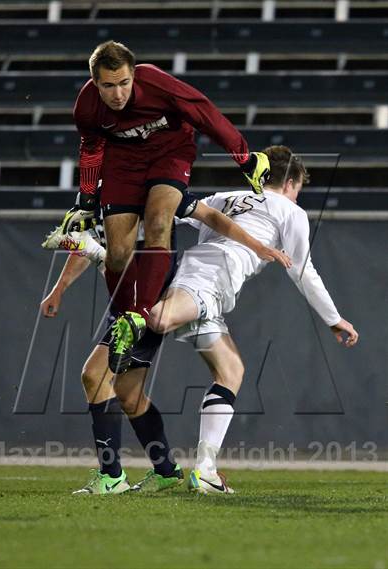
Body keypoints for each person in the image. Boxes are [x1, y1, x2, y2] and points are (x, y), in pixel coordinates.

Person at [133, 144, 358, 494]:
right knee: (159, 319)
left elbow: (175, 209)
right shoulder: (289, 210)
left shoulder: (226, 196)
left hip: (199, 272)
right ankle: (134, 318)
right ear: (290, 182)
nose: (297, 195)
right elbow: (302, 271)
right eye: (298, 188)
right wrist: (334, 318)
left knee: (231, 372)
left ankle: (205, 470)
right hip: (215, 276)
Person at [41, 191, 290, 494]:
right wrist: (59, 288)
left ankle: (111, 476)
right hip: (123, 292)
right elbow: (87, 241)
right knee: (128, 393)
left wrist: (255, 244)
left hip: (147, 298)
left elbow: (209, 215)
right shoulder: (96, 192)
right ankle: (166, 470)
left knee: (94, 376)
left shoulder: (155, 186)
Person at [61, 39, 271, 375]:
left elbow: (205, 114)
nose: (118, 94)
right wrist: (87, 200)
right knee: (116, 253)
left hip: (169, 154)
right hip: (123, 162)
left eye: (124, 83)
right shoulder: (86, 106)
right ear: (95, 82)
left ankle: (137, 316)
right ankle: (123, 324)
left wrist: (243, 156)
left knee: (159, 221)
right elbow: (91, 148)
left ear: (134, 76)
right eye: (108, 86)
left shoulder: (156, 82)